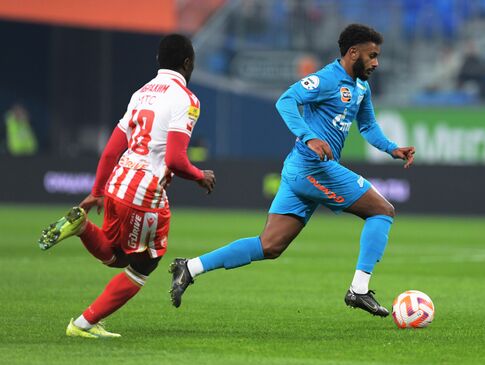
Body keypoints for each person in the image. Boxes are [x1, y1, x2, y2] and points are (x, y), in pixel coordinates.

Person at [169, 24, 415, 317]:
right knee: (382, 210)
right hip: (314, 168)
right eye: (372, 55)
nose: (376, 63)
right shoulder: (326, 79)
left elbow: (368, 126)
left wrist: (391, 148)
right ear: (353, 53)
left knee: (270, 246)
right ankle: (358, 290)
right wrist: (309, 136)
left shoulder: (361, 86)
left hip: (302, 170)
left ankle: (190, 267)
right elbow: (286, 100)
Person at [37, 34, 216, 338]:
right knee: (145, 265)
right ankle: (83, 324)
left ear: (159, 61)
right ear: (188, 63)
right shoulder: (187, 100)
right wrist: (201, 176)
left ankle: (82, 229)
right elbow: (174, 159)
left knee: (117, 255)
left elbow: (110, 150)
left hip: (118, 183)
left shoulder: (141, 93)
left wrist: (97, 191)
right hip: (145, 194)